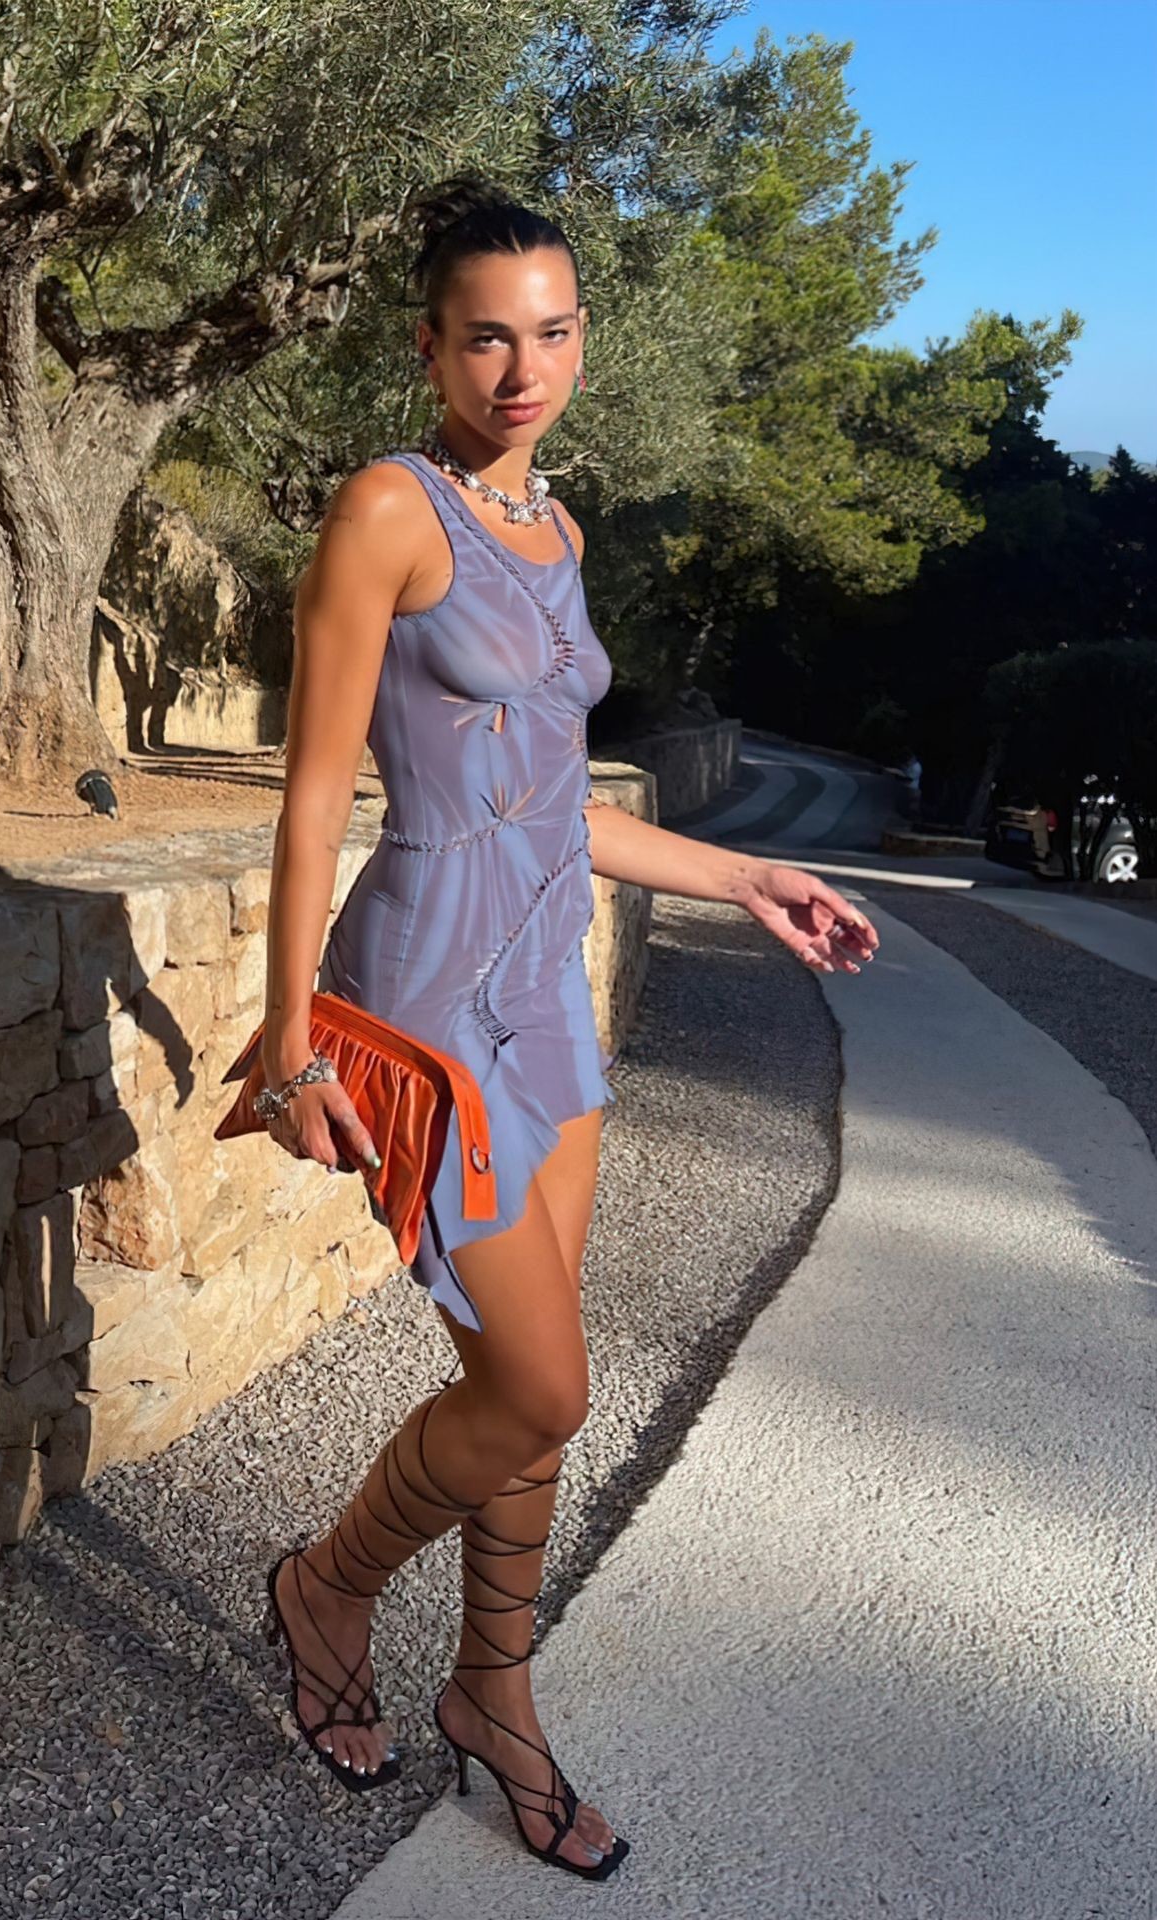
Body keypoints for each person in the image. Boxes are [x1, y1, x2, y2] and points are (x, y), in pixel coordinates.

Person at [256, 177, 881, 1883]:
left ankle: (494, 1693)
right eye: (484, 338)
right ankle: (325, 1588)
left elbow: (556, 809)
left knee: (523, 1396)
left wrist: (750, 873)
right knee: (542, 1381)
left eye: (548, 333)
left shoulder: (560, 532)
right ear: (428, 346)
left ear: (581, 339)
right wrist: (290, 1038)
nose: (519, 369)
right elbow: (312, 803)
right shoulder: (386, 511)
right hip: (425, 1000)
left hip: (545, 988)